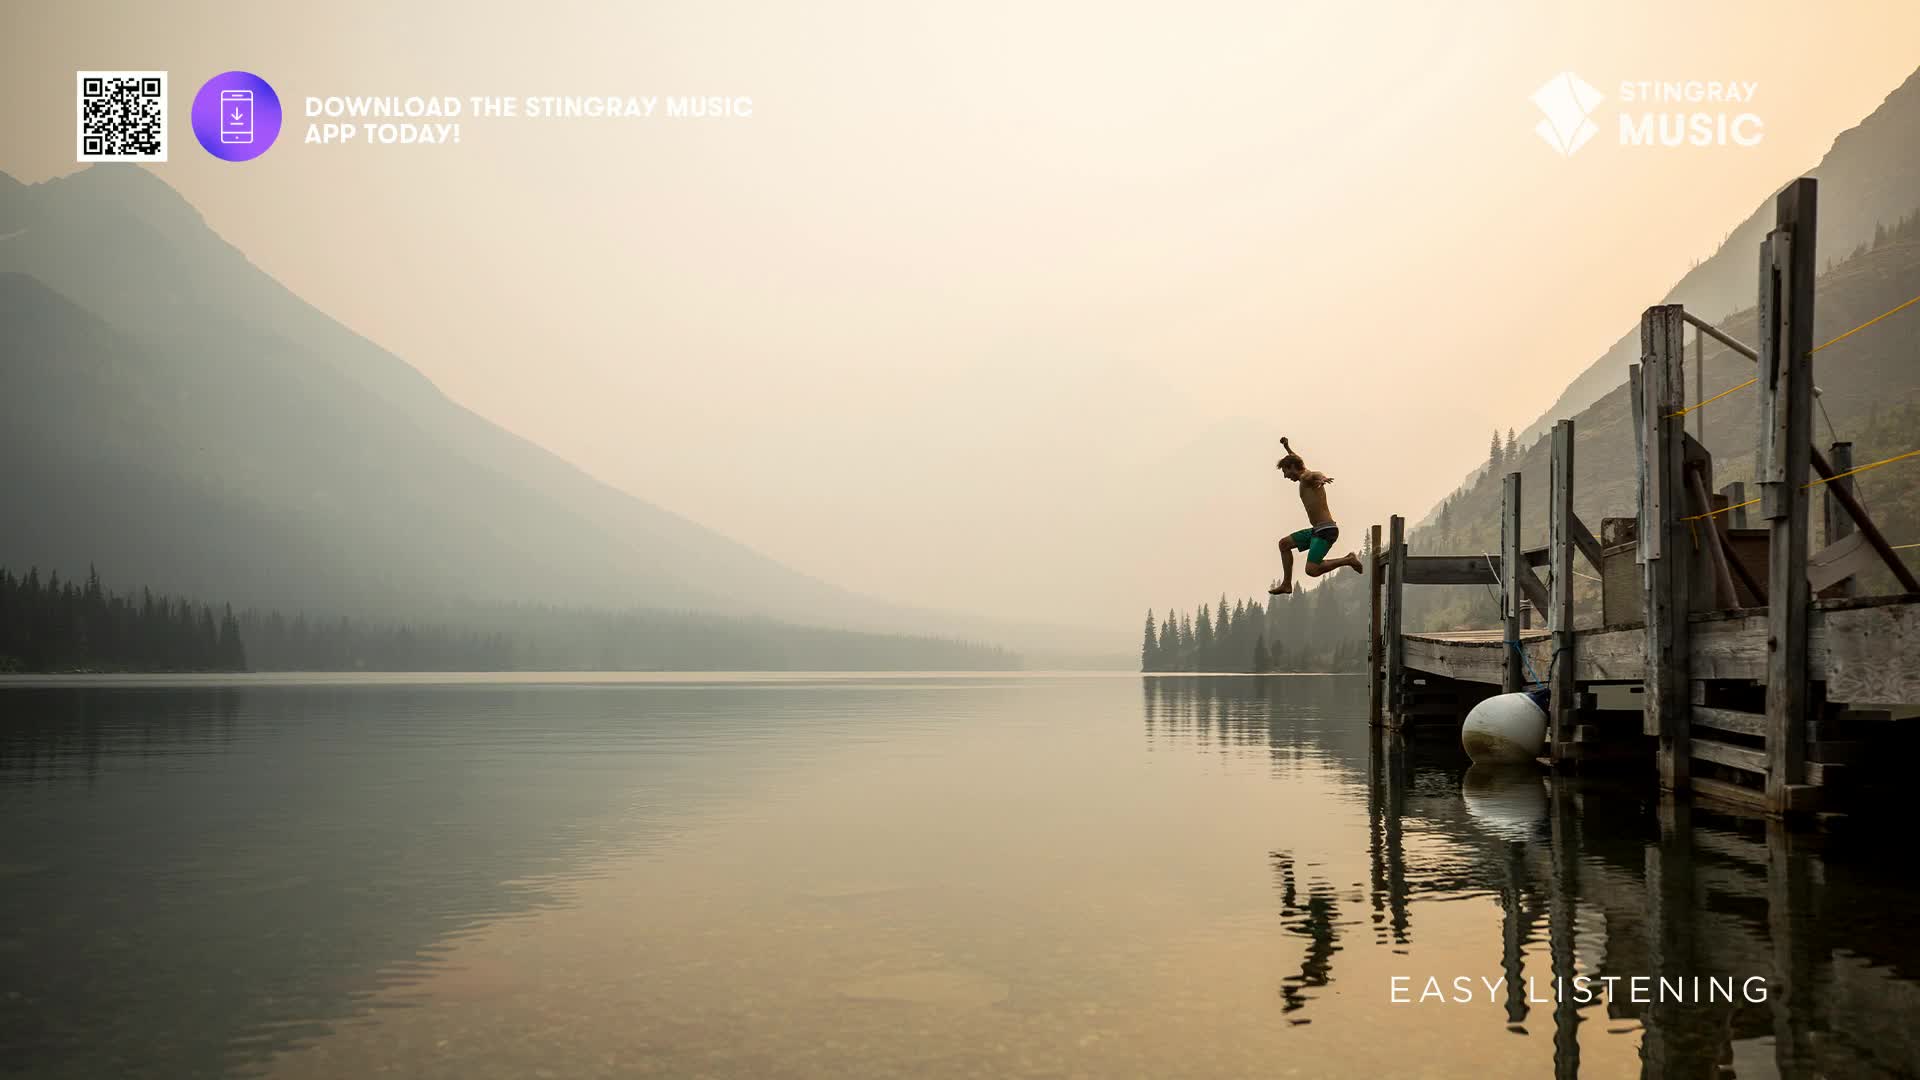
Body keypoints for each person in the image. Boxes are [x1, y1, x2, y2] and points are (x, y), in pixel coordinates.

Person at [1270, 437, 1363, 595]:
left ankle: (1348, 559)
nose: (1285, 476)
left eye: (1285, 471)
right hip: (1316, 530)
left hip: (1326, 530)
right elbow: (1298, 460)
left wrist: (1322, 478)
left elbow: (1315, 474)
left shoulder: (1306, 477)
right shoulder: (1302, 472)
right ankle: (1286, 584)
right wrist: (1287, 448)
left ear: (1292, 467)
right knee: (1284, 544)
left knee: (1312, 570)